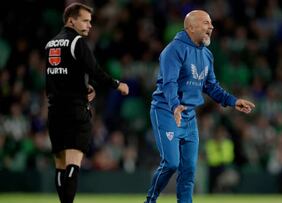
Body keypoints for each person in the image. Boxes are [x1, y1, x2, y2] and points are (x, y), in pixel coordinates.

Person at [144, 10, 255, 203]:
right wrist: (174, 106)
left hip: (188, 116)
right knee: (171, 163)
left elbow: (211, 86)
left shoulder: (207, 55)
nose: (211, 27)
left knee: (189, 170)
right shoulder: (173, 50)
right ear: (191, 27)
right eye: (206, 23)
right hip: (166, 111)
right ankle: (150, 200)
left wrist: (233, 101)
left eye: (211, 23)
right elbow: (169, 83)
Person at [45, 3, 129, 203]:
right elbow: (95, 71)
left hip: (54, 110)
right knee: (73, 163)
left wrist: (85, 87)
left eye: (90, 21)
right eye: (85, 20)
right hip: (75, 110)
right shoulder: (78, 42)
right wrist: (117, 84)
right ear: (71, 20)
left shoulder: (51, 44)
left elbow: (54, 79)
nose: (89, 25)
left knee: (60, 163)